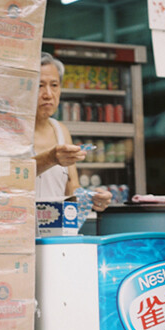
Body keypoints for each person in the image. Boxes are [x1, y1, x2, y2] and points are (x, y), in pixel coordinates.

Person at [34, 52, 112, 212]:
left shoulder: (61, 131)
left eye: (54, 85)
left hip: (55, 228)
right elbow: (10, 177)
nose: (48, 94)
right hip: (20, 228)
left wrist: (89, 198)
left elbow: (71, 187)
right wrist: (50, 158)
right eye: (39, 85)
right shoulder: (13, 131)